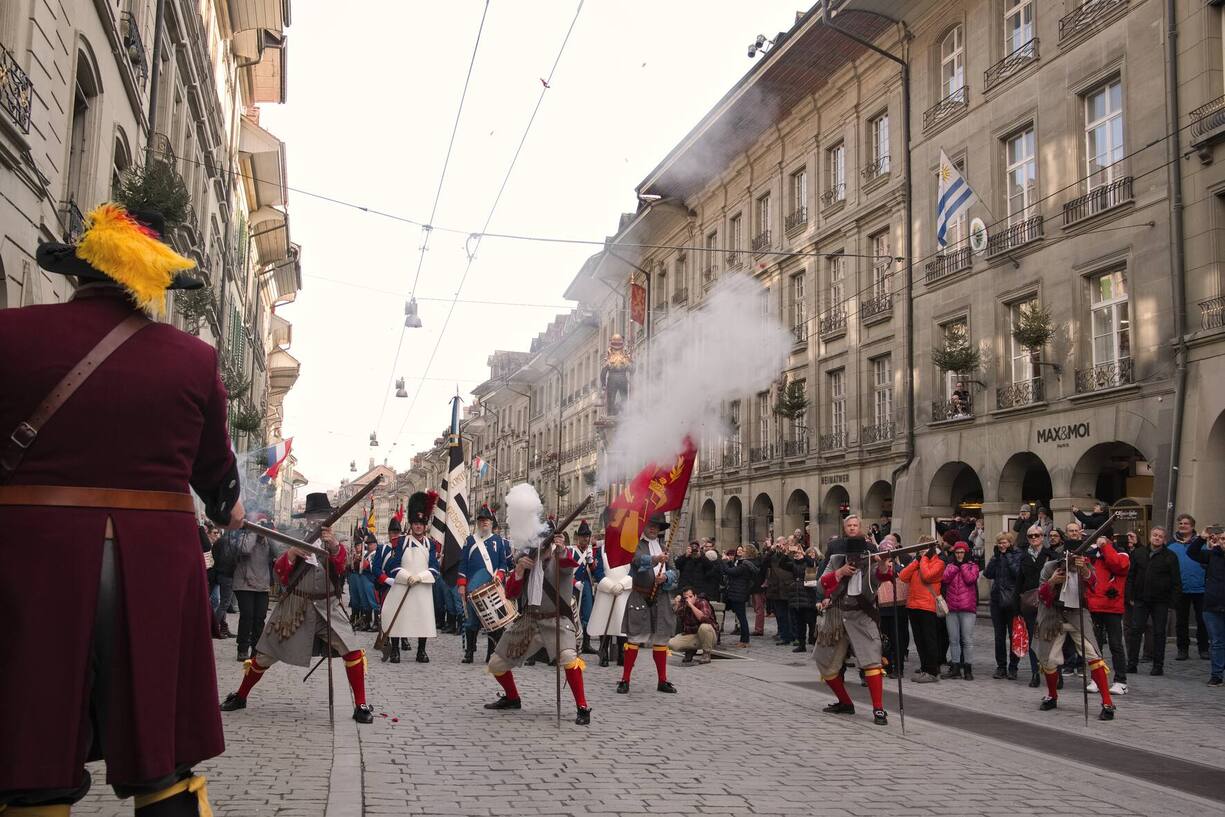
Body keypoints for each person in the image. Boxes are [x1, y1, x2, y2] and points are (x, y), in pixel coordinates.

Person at [0, 204, 245, 816]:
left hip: (32, 554)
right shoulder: (194, 359)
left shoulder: (8, 333)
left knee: (29, 742)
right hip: (155, 564)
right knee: (161, 754)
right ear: (151, 284)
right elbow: (215, 473)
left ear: (78, 274)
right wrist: (226, 503)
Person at [220, 493, 373, 725]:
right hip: (295, 605)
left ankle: (360, 704)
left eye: (322, 515)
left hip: (327, 606)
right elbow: (279, 574)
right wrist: (292, 553)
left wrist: (332, 546)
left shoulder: (335, 540)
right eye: (314, 516)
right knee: (264, 655)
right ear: (307, 517)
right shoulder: (291, 538)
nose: (317, 520)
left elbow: (341, 568)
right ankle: (241, 695)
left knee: (351, 650)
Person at [484, 527, 591, 725]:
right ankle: (512, 698)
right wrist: (518, 571)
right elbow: (511, 594)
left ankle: (582, 707)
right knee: (495, 664)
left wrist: (561, 549)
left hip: (557, 620)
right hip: (529, 621)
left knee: (569, 658)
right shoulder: (527, 561)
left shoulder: (561, 557)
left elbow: (568, 566)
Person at [812, 515, 893, 725]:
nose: (852, 528)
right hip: (836, 615)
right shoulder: (835, 559)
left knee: (872, 660)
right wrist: (839, 572)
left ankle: (878, 709)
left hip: (862, 615)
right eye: (849, 525)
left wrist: (883, 564)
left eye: (855, 525)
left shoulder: (871, 560)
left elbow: (881, 578)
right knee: (824, 661)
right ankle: (845, 702)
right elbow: (822, 585)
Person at [1033, 550, 1117, 720]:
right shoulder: (1049, 567)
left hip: (1077, 615)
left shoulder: (1084, 566)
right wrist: (1052, 582)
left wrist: (1084, 571)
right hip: (1052, 615)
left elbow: (1093, 584)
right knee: (1048, 660)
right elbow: (1041, 595)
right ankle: (1052, 695)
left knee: (1093, 655)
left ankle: (1107, 703)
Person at [618, 513, 679, 694]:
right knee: (635, 638)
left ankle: (662, 680)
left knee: (661, 639)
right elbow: (636, 561)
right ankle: (625, 679)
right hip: (640, 597)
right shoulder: (636, 545)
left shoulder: (664, 548)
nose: (653, 528)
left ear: (660, 530)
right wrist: (655, 559)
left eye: (657, 526)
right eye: (650, 525)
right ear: (644, 527)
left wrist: (666, 577)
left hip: (661, 599)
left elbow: (675, 572)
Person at [381, 491, 441, 664]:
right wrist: (406, 576)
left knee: (423, 618)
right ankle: (395, 650)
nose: (418, 527)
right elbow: (393, 566)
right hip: (403, 584)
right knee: (398, 617)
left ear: (425, 526)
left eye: (421, 524)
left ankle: (421, 651)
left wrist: (421, 577)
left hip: (422, 585)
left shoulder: (430, 544)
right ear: (411, 524)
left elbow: (434, 568)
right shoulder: (401, 542)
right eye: (415, 523)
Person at [457, 504, 512, 664]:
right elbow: (463, 565)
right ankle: (470, 652)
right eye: (481, 520)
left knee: (495, 622)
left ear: (491, 522)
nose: (484, 523)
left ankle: (492, 653)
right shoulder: (469, 541)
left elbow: (503, 564)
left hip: (493, 587)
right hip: (473, 589)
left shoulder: (499, 542)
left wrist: (500, 575)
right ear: (478, 523)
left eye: (487, 520)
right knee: (471, 621)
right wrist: (461, 584)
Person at [1126, 526, 1182, 676]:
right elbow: (1130, 576)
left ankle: (1158, 666)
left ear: (1164, 539)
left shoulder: (1170, 556)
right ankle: (1132, 663)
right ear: (1150, 536)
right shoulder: (1138, 553)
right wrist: (1129, 596)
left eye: (1160, 536)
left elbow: (1176, 581)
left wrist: (1172, 603)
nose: (1157, 538)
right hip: (1140, 599)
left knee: (1159, 633)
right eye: (1155, 535)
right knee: (1136, 630)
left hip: (1161, 601)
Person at [1085, 532, 1130, 695]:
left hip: (1112, 607)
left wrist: (1105, 547)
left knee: (1115, 644)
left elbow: (1117, 564)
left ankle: (1120, 681)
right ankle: (1097, 678)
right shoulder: (1093, 556)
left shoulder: (1121, 554)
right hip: (1095, 605)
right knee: (1095, 647)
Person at [899, 537, 946, 683]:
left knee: (929, 640)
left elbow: (927, 576)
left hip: (928, 606)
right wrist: (916, 562)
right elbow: (902, 576)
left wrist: (924, 559)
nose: (922, 551)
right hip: (913, 605)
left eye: (925, 548)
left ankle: (932, 671)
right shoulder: (918, 563)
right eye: (920, 548)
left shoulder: (939, 563)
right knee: (919, 641)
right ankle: (925, 668)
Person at [1187, 526, 1225, 685]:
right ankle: (1216, 675)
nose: (1224, 542)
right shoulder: (1212, 555)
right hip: (1212, 605)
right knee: (1216, 642)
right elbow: (1192, 553)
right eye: (1223, 539)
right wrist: (1201, 538)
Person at [1169, 513, 1209, 661]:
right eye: (1180, 523)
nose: (1182, 526)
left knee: (1202, 621)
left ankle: (1204, 649)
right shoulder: (1171, 545)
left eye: (1185, 523)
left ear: (1192, 526)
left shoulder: (1202, 543)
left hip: (1201, 588)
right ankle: (1182, 649)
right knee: (1181, 622)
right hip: (1181, 588)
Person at [1017, 525, 1053, 687]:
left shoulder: (1050, 555)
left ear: (1042, 536)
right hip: (1030, 602)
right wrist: (1017, 605)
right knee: (1033, 639)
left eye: (1036, 535)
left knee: (1051, 638)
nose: (1033, 539)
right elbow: (1019, 581)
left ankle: (1054, 673)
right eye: (1030, 536)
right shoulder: (1023, 556)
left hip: (1048, 601)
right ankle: (1035, 673)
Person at [588, 533, 631, 667]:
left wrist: (623, 584)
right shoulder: (601, 551)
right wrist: (609, 585)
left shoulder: (629, 550)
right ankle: (603, 653)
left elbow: (632, 571)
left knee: (621, 623)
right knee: (604, 622)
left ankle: (622, 654)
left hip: (623, 591)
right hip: (607, 590)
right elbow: (598, 571)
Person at [984, 532, 1022, 680]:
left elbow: (1017, 573)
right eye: (1000, 543)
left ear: (1010, 543)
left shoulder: (1018, 554)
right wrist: (995, 558)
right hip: (997, 600)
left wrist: (1008, 557)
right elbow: (988, 573)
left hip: (1012, 600)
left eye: (1004, 542)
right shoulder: (997, 556)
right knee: (999, 636)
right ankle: (1001, 666)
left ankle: (1013, 667)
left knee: (1013, 636)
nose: (1002, 545)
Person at [234, 529, 274, 662]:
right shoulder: (245, 536)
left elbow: (280, 552)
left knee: (259, 618)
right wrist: (253, 532)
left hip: (262, 585)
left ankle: (256, 649)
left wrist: (271, 534)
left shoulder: (268, 541)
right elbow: (244, 549)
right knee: (247, 616)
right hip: (244, 584)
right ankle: (243, 648)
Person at [942, 541, 980, 680]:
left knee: (967, 639)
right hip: (952, 607)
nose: (959, 555)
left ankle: (968, 668)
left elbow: (970, 579)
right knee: (953, 639)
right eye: (957, 552)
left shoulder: (972, 566)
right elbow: (945, 579)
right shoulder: (950, 566)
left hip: (967, 608)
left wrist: (962, 566)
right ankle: (956, 668)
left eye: (961, 552)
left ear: (966, 553)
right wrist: (954, 568)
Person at [875, 535, 910, 676]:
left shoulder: (901, 564)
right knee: (886, 639)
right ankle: (887, 665)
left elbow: (903, 576)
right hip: (883, 608)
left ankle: (899, 667)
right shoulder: (878, 567)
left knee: (898, 639)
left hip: (898, 607)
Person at [571, 520, 600, 655]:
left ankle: (586, 644)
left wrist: (591, 562)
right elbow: (565, 572)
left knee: (587, 614)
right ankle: (572, 644)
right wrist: (573, 582)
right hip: (574, 585)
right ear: (578, 538)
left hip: (586, 585)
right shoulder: (572, 551)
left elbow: (594, 571)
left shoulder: (590, 552)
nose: (586, 539)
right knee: (572, 615)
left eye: (587, 537)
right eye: (583, 537)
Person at [720, 546, 757, 648]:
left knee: (742, 617)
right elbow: (734, 570)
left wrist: (724, 562)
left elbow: (731, 572)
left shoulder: (745, 565)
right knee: (742, 617)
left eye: (744, 551)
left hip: (739, 593)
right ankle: (744, 640)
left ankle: (745, 640)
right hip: (738, 592)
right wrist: (730, 562)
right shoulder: (744, 564)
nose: (741, 552)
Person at [785, 541, 819, 653]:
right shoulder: (793, 563)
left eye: (798, 553)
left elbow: (811, 562)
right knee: (799, 622)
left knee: (811, 621)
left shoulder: (808, 562)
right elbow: (782, 564)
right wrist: (786, 553)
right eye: (796, 553)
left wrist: (803, 554)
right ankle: (802, 644)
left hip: (808, 595)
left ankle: (814, 642)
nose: (797, 554)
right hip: (796, 595)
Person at [668, 587, 718, 663]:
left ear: (695, 596)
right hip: (693, 635)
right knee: (672, 644)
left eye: (690, 597)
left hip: (709, 635)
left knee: (704, 627)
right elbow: (677, 613)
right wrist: (677, 603)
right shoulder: (684, 605)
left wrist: (691, 606)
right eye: (686, 598)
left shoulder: (702, 602)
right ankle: (690, 650)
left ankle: (706, 653)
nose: (688, 599)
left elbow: (704, 618)